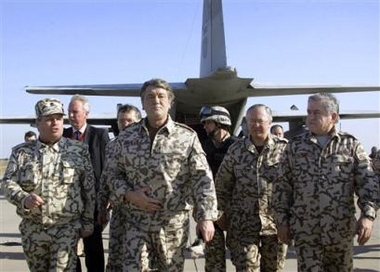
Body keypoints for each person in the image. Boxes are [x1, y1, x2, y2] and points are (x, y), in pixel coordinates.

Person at [106, 78, 218, 271]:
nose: (155, 100)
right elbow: (112, 174)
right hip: (135, 221)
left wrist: (206, 216)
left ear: (170, 102)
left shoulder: (187, 137)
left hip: (172, 225)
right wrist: (129, 194)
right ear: (142, 103)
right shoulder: (125, 137)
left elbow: (202, 177)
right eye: (150, 96)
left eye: (161, 96)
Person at [273, 93, 379, 271]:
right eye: (309, 112)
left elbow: (368, 184)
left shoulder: (350, 145)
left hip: (340, 233)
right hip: (306, 233)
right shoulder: (294, 146)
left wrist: (367, 217)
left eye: (316, 113)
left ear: (333, 117)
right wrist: (281, 221)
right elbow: (282, 186)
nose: (310, 117)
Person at [1, 98, 95, 272]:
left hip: (66, 228)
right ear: (38, 122)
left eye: (59, 118)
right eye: (49, 119)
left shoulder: (78, 150)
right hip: (33, 229)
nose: (55, 123)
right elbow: (7, 183)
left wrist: (88, 222)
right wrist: (24, 198)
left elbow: (88, 189)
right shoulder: (22, 152)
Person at [215, 104, 288, 271]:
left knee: (274, 268)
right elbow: (222, 185)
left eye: (260, 121)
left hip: (275, 224)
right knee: (246, 267)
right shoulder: (236, 150)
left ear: (269, 121)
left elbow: (295, 185)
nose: (255, 125)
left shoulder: (285, 149)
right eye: (251, 121)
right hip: (243, 225)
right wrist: (219, 213)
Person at [63, 94, 110, 272]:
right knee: (69, 250)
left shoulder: (100, 135)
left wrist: (106, 200)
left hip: (93, 204)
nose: (71, 115)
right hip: (68, 203)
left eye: (75, 112)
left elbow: (106, 169)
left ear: (86, 113)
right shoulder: (63, 136)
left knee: (93, 249)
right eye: (69, 112)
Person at [97, 104, 142, 272]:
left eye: (129, 120)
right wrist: (102, 207)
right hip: (120, 211)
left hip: (142, 213)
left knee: (139, 260)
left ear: (138, 122)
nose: (125, 124)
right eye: (121, 121)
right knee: (116, 256)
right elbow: (106, 178)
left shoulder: (147, 144)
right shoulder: (112, 146)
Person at [199, 105, 238, 272]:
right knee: (213, 260)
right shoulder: (202, 147)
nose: (205, 126)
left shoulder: (237, 146)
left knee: (242, 258)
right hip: (210, 210)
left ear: (220, 123)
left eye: (208, 123)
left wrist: (225, 212)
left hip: (236, 211)